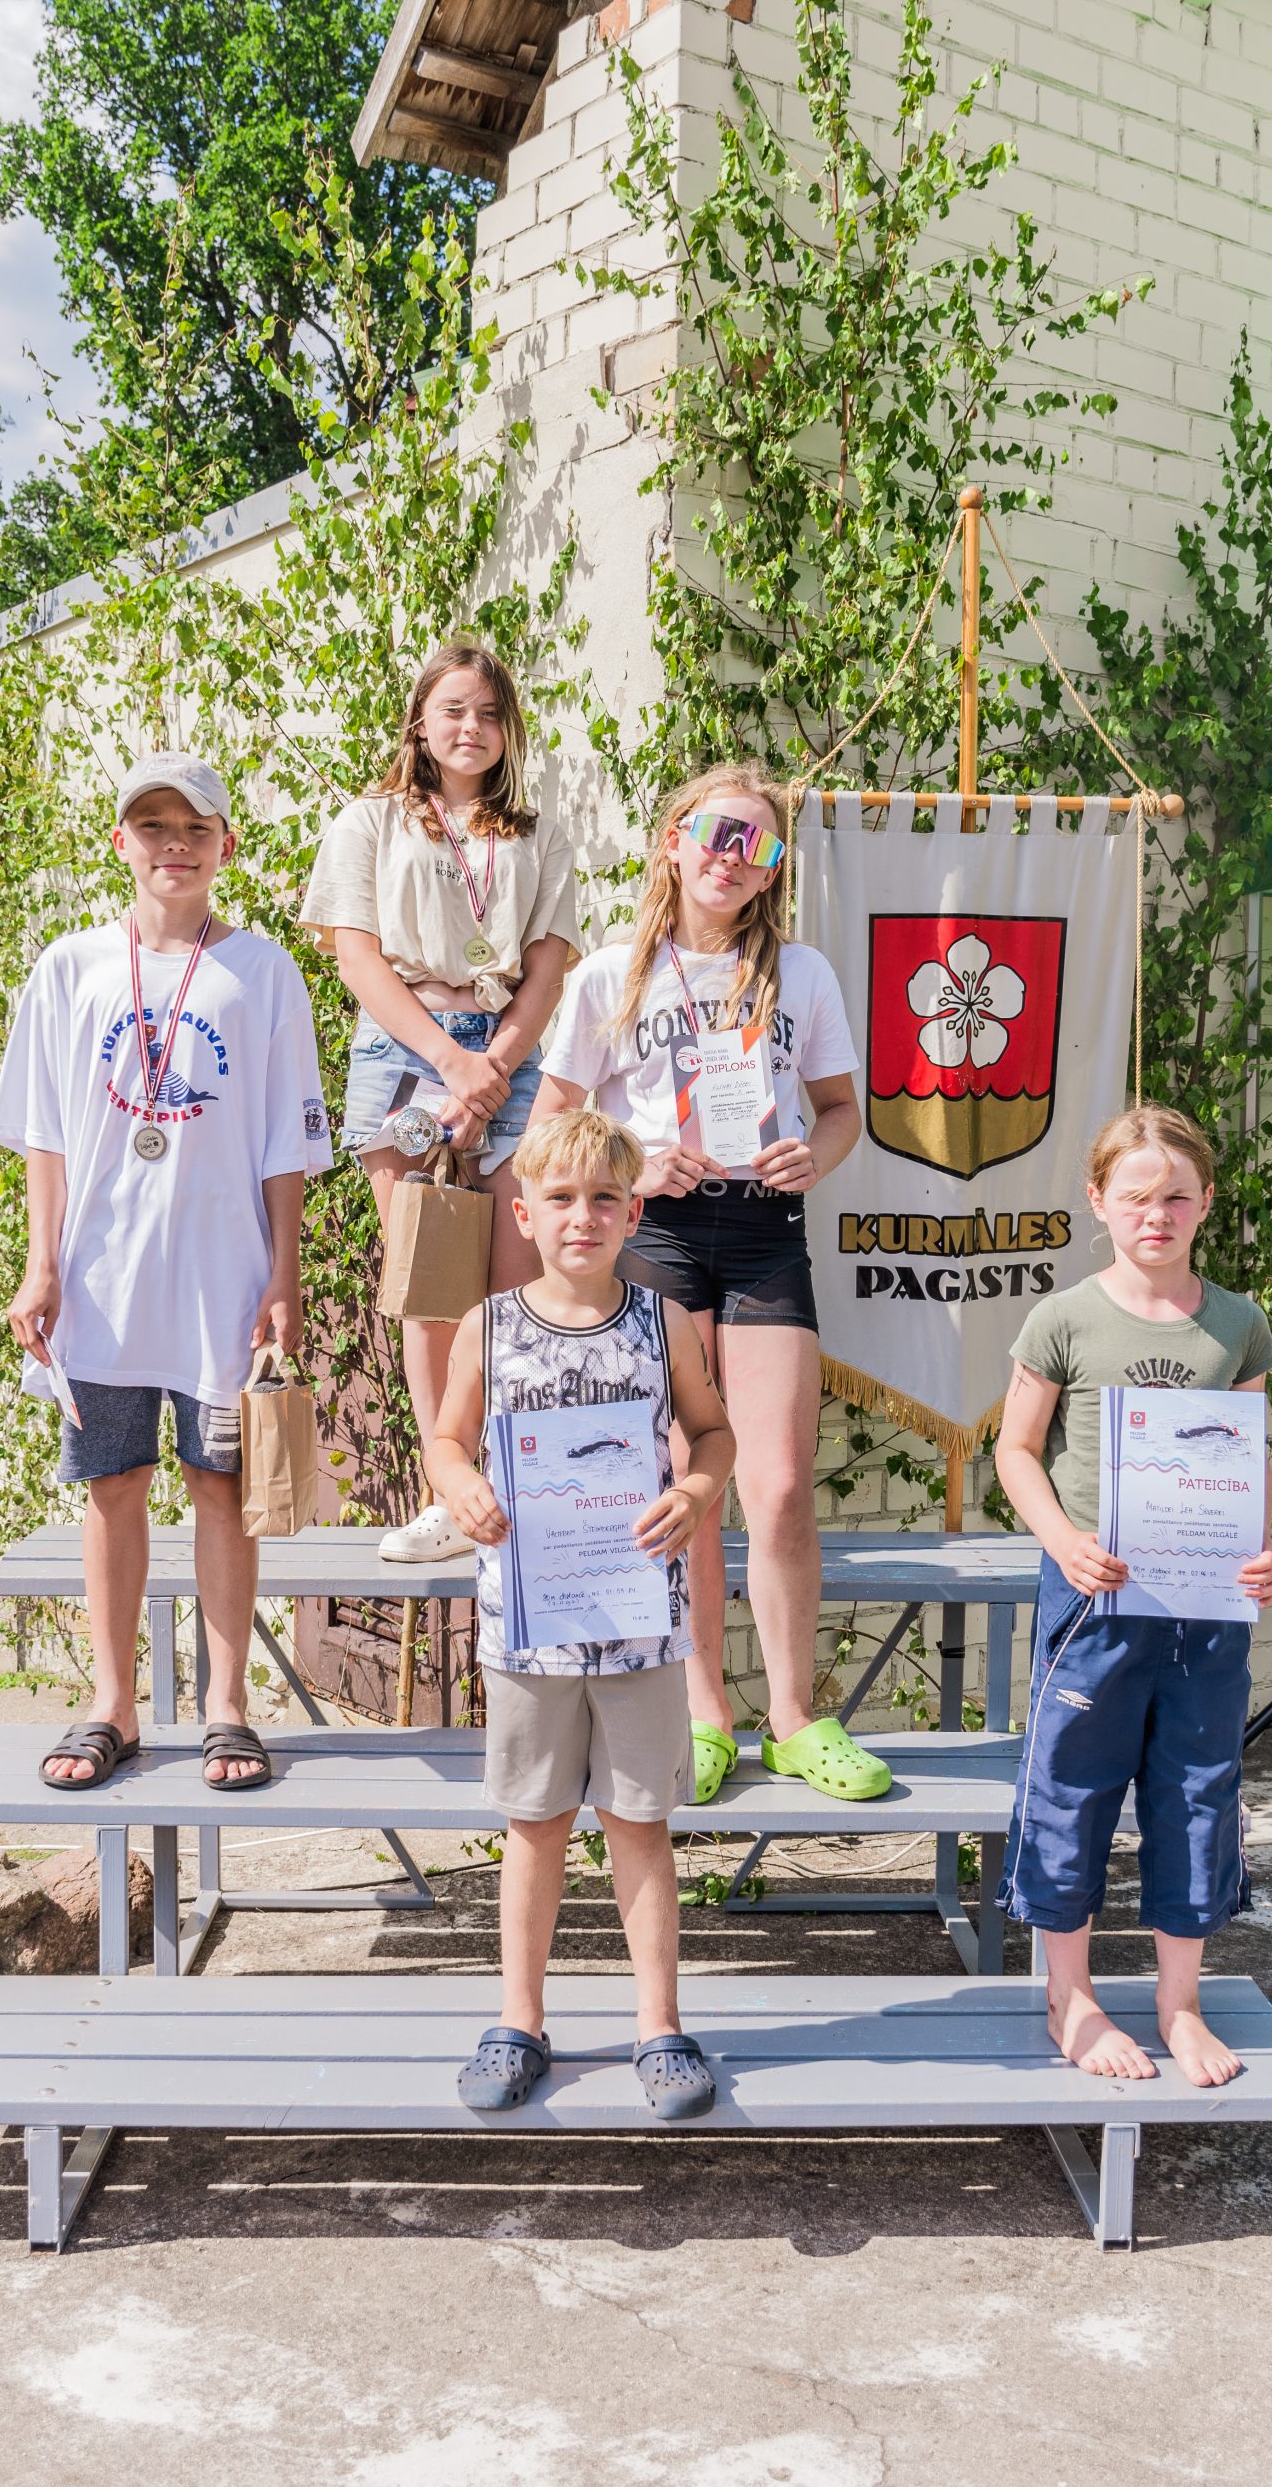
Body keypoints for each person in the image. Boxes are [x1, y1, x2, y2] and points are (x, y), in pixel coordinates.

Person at [529, 763, 888, 1806]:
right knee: (689, 1479)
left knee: (777, 1483)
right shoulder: (609, 975)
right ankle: (704, 1713)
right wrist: (634, 1162)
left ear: (773, 869)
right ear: (674, 841)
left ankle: (795, 1718)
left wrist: (815, 1155)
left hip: (766, 1227)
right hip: (663, 1233)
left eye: (758, 844)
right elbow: (551, 1124)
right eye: (719, 834)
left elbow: (840, 1110)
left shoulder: (801, 974)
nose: (734, 857)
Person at [0, 749, 333, 1790]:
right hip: (102, 1283)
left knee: (219, 1486)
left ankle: (228, 1706)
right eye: (153, 826)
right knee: (113, 1486)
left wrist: (285, 1274)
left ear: (226, 844)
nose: (174, 846)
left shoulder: (263, 972)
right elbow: (45, 1132)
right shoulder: (70, 966)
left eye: (195, 828)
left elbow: (285, 1143)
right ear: (121, 842)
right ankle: (113, 1703)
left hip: (222, 1282)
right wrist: (41, 1265)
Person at [425, 1108, 736, 2118]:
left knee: (639, 1823)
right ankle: (518, 2021)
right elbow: (446, 1439)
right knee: (535, 1823)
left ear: (634, 1212)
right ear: (523, 1213)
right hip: (529, 1627)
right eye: (559, 1198)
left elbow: (714, 1433)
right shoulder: (488, 1326)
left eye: (605, 1198)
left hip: (640, 1623)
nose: (583, 1216)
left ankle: (659, 2027)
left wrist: (695, 1492)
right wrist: (460, 1485)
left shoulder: (662, 1323)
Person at [992, 1104, 1272, 2088]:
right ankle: (1069, 1996)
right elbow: (1015, 1449)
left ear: (1205, 1202)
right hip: (1094, 1602)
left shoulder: (1237, 1324)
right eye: (1135, 1196)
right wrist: (1063, 1541)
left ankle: (1179, 2002)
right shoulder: (1063, 1319)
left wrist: (1259, 1550)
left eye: (1176, 1197)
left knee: (1197, 1789)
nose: (1156, 1214)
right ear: (1097, 1201)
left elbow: (1248, 1460)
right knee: (1072, 1786)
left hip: (1204, 1608)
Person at [299, 642, 580, 1562]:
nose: (472, 728)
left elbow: (547, 969)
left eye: (490, 713)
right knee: (429, 1287)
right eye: (454, 709)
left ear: (509, 731)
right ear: (419, 721)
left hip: (509, 1059)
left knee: (513, 1288)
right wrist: (449, 1062)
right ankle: (443, 1494)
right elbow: (356, 958)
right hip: (405, 1053)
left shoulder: (539, 836)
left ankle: (512, 1482)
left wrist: (491, 1066)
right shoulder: (371, 822)